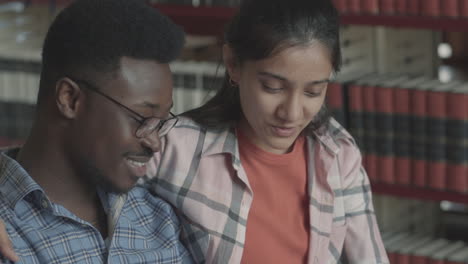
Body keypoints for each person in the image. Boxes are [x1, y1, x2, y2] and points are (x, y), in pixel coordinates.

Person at [0, 0, 389, 263]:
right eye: (272, 86)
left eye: (314, 90)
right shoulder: (179, 148)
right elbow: (53, 159)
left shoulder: (336, 153)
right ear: (233, 66)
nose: (292, 112)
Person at [0, 0, 192, 263]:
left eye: (160, 122)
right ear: (69, 99)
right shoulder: (8, 234)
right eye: (143, 118)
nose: (155, 143)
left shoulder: (159, 221)